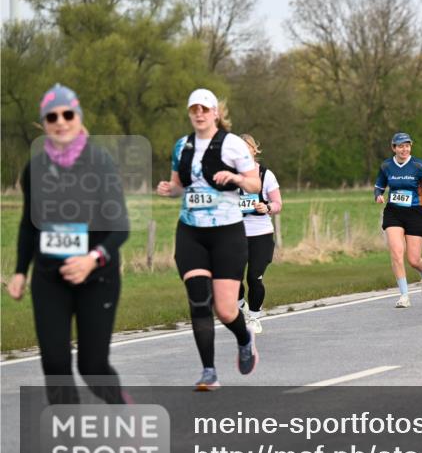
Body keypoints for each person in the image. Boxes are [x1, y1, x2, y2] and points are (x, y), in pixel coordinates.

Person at [7, 84, 130, 405]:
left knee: (92, 367)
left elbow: (120, 227)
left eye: (67, 114)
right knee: (55, 365)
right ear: (44, 123)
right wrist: (20, 271)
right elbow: (28, 225)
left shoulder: (99, 162)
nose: (60, 121)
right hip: (49, 278)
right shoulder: (35, 168)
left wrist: (92, 259)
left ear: (78, 117)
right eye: (52, 116)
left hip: (97, 278)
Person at [156, 89, 261, 391]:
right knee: (199, 299)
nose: (199, 114)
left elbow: (254, 183)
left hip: (226, 233)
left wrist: (238, 179)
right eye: (194, 109)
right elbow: (179, 185)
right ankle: (209, 372)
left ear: (215, 112)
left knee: (226, 310)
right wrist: (169, 189)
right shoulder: (182, 146)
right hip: (191, 231)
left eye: (204, 109)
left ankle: (244, 339)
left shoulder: (232, 145)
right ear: (190, 114)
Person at [374, 132, 422, 308]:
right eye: (400, 146)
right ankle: (404, 295)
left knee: (414, 260)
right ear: (394, 148)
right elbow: (379, 186)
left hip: (415, 212)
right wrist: (378, 195)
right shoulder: (386, 166)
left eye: (407, 145)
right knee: (396, 253)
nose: (404, 149)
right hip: (394, 212)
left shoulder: (418, 165)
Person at [237, 134, 282, 332]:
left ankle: (254, 317)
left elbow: (278, 204)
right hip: (235, 233)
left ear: (255, 151)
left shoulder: (266, 175)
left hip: (261, 233)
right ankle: (240, 305)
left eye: (247, 147)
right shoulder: (229, 176)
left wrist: (267, 207)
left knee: (254, 278)